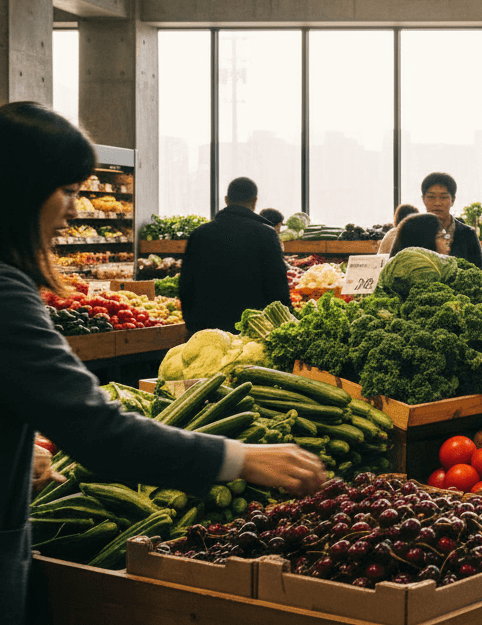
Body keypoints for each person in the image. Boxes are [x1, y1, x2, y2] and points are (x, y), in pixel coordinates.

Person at [0, 102, 325, 619]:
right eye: (67, 190)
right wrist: (243, 458)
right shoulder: (6, 295)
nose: (71, 208)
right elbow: (98, 431)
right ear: (20, 190)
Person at [179, 177, 291, 334]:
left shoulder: (199, 234)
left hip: (205, 331)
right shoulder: (266, 235)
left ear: (226, 200)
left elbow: (185, 286)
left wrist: (193, 327)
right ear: (255, 201)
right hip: (250, 334)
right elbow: (277, 288)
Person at [377, 173, 482, 268]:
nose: (437, 203)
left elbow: (476, 270)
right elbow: (393, 265)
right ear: (423, 199)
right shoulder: (409, 230)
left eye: (443, 197)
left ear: (453, 200)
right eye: (431, 197)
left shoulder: (468, 234)